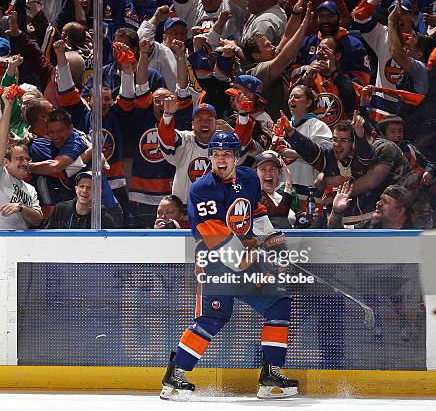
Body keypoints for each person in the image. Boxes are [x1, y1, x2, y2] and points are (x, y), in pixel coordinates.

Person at [160, 131, 298, 400]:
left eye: (226, 155)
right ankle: (174, 376)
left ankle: (270, 375)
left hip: (244, 262)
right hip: (215, 265)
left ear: (236, 157)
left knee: (279, 303)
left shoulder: (248, 178)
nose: (220, 160)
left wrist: (274, 244)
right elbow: (213, 234)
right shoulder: (202, 190)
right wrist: (255, 259)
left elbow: (254, 212)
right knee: (212, 319)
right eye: (215, 154)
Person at [0, 88, 43, 230]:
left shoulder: (30, 189)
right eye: (19, 159)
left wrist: (21, 208)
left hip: (20, 247)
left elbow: (38, 220)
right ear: (5, 162)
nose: (25, 163)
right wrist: (8, 107)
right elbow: (0, 144)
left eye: (27, 159)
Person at [330, 182, 417, 229]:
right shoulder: (369, 226)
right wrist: (337, 212)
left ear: (400, 211)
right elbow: (340, 237)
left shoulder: (416, 235)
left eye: (385, 202)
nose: (378, 203)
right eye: (380, 199)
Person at [45, 171, 115, 229]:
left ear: (99, 192)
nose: (85, 190)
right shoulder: (60, 209)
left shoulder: (103, 217)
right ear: (76, 189)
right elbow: (46, 236)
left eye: (90, 187)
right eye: (81, 186)